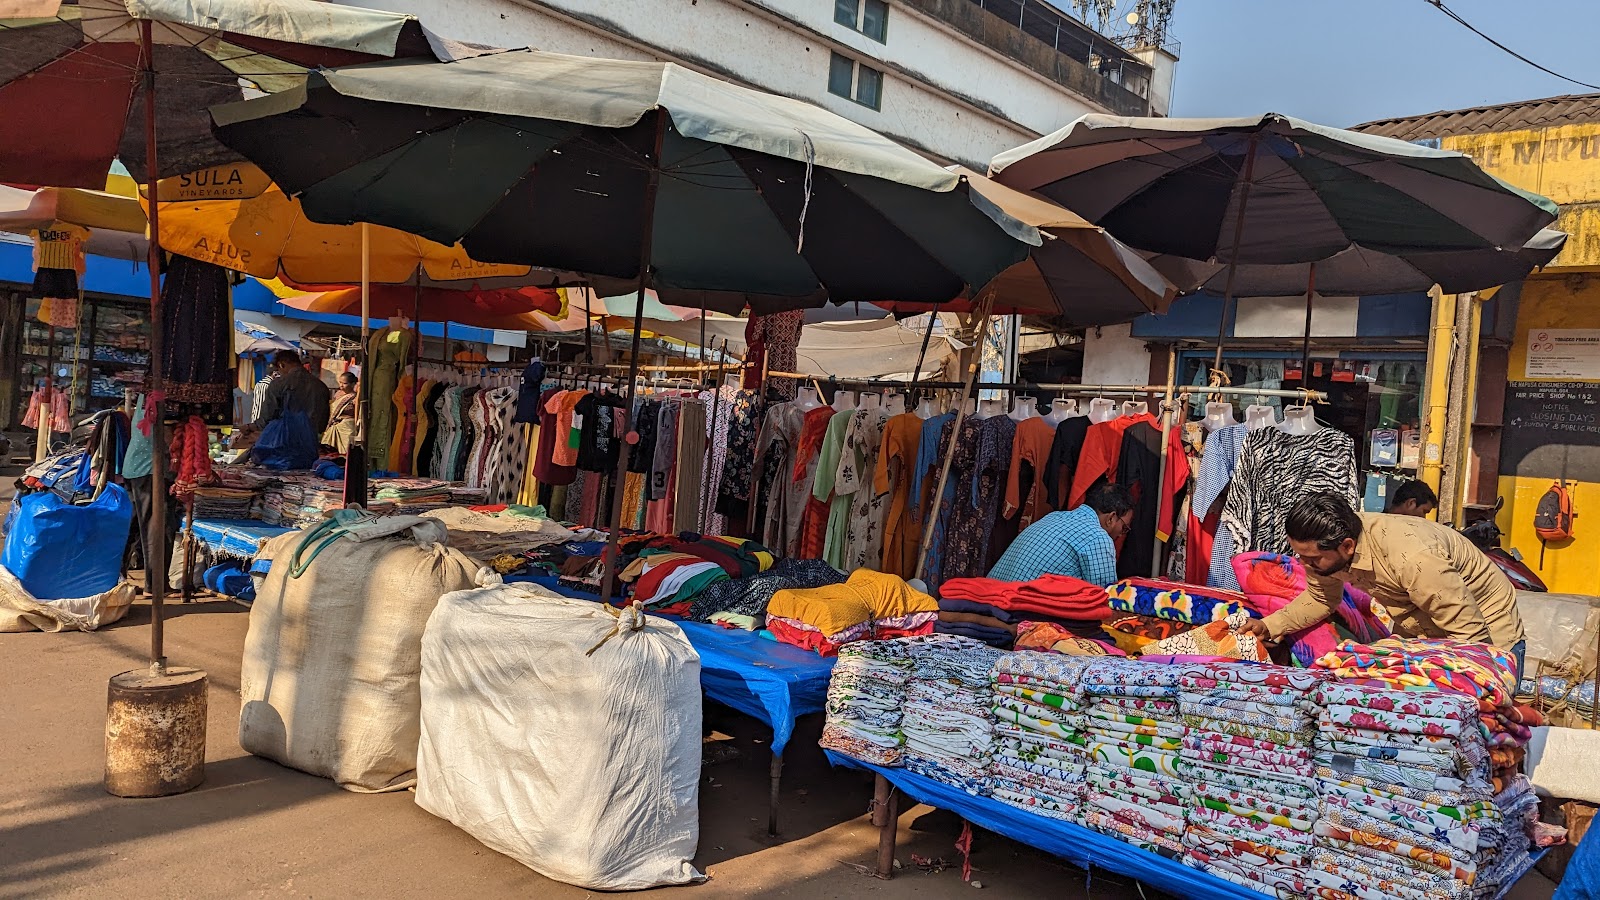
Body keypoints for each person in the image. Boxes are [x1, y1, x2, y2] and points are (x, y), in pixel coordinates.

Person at [1240, 492, 1526, 676]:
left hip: (1487, 635)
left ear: (1347, 546)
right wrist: (1270, 626)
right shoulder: (1326, 551)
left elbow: (1471, 639)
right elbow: (1320, 599)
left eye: (1312, 558)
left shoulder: (1413, 559)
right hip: (1425, 631)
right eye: (1301, 556)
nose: (1306, 565)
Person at [985, 483, 1134, 586]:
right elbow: (1104, 599)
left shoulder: (1055, 516)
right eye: (1124, 528)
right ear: (1111, 518)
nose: (1121, 534)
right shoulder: (1097, 536)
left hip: (986, 600)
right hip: (1014, 615)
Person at [255, 349, 332, 435]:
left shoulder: (279, 384)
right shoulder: (321, 386)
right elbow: (323, 422)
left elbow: (267, 417)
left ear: (281, 365)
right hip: (311, 441)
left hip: (284, 439)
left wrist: (251, 427)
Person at [322, 371, 359, 453]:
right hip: (334, 427)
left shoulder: (355, 398)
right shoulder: (338, 394)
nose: (341, 386)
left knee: (346, 453)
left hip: (347, 429)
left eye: (345, 383)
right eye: (340, 382)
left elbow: (357, 415)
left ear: (352, 384)